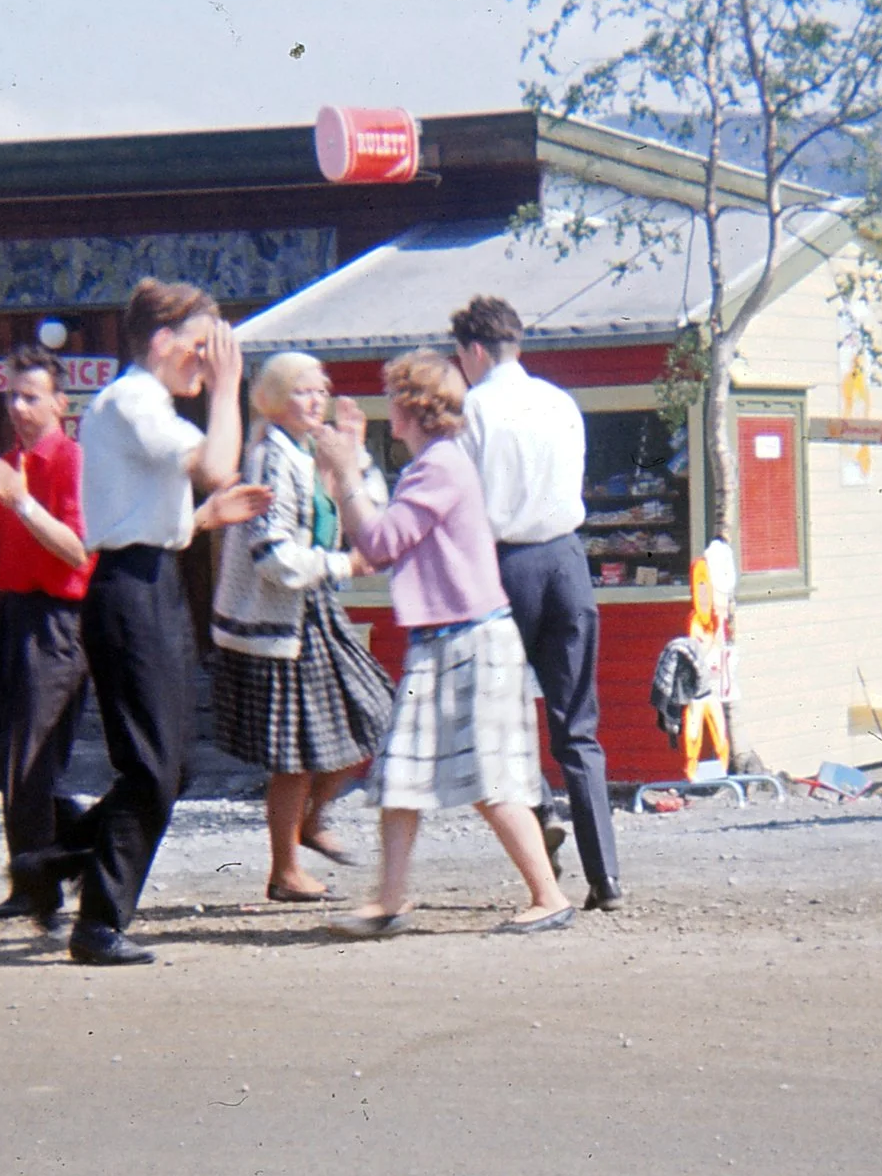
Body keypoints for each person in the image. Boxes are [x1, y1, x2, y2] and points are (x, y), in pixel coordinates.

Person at [10, 277, 263, 965]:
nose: (206, 359)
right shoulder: (131, 399)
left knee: (172, 769)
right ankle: (96, 923)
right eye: (198, 345)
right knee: (150, 769)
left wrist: (202, 519)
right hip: (128, 590)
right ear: (162, 340)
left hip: (153, 582)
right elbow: (217, 465)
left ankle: (53, 862)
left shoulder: (144, 405)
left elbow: (150, 513)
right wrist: (227, 388)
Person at [308, 349, 571, 938]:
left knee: (489, 779)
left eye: (393, 398)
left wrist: (346, 472)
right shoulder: (438, 464)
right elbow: (387, 526)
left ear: (411, 407)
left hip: (468, 640)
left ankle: (549, 897)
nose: (388, 409)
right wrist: (355, 462)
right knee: (400, 776)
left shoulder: (440, 467)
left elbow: (380, 543)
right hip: (450, 639)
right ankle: (389, 901)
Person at [449, 295, 624, 910]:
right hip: (566, 558)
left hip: (505, 562)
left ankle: (540, 815)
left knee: (500, 711)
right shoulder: (559, 401)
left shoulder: (473, 408)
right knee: (577, 724)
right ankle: (606, 875)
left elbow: (462, 499)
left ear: (474, 351)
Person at [208, 351, 395, 905]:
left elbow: (370, 513)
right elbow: (272, 556)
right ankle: (285, 869)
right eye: (302, 391)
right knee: (295, 756)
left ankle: (311, 822)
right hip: (277, 620)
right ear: (272, 399)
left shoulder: (311, 448)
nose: (316, 401)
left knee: (377, 713)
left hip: (314, 611)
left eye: (321, 391)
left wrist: (355, 455)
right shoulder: (270, 456)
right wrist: (343, 565)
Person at [0, 346, 96, 925]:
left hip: (58, 619)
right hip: (14, 613)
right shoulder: (8, 464)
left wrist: (19, 502)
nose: (19, 407)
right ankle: (75, 850)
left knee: (29, 757)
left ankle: (38, 885)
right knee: (0, 752)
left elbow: (77, 550)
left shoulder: (72, 461)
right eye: (12, 396)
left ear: (59, 403)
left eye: (31, 397)